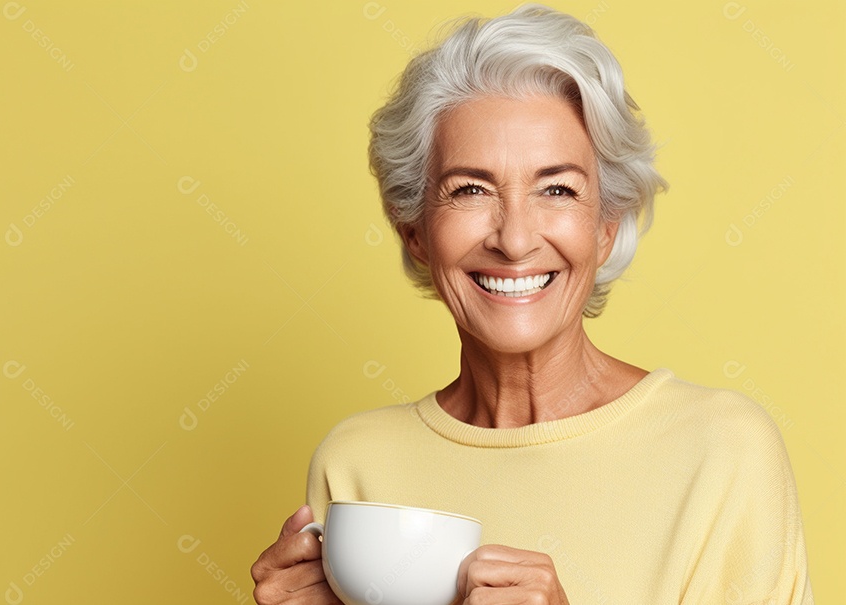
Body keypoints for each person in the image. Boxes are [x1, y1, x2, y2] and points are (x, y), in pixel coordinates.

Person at [251, 4, 815, 604]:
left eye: (557, 189)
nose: (515, 239)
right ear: (413, 229)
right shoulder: (356, 463)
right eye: (470, 189)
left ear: (605, 228)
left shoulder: (724, 452)